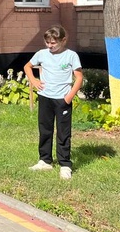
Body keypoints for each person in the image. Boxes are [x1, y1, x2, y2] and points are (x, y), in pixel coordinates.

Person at [23, 25, 83, 180]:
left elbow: (79, 78)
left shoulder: (71, 56)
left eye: (53, 43)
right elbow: (27, 66)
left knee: (63, 133)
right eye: (47, 42)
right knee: (45, 129)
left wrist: (68, 97)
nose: (50, 46)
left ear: (63, 40)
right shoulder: (41, 54)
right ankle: (45, 161)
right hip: (45, 97)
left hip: (62, 100)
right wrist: (34, 80)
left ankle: (65, 164)